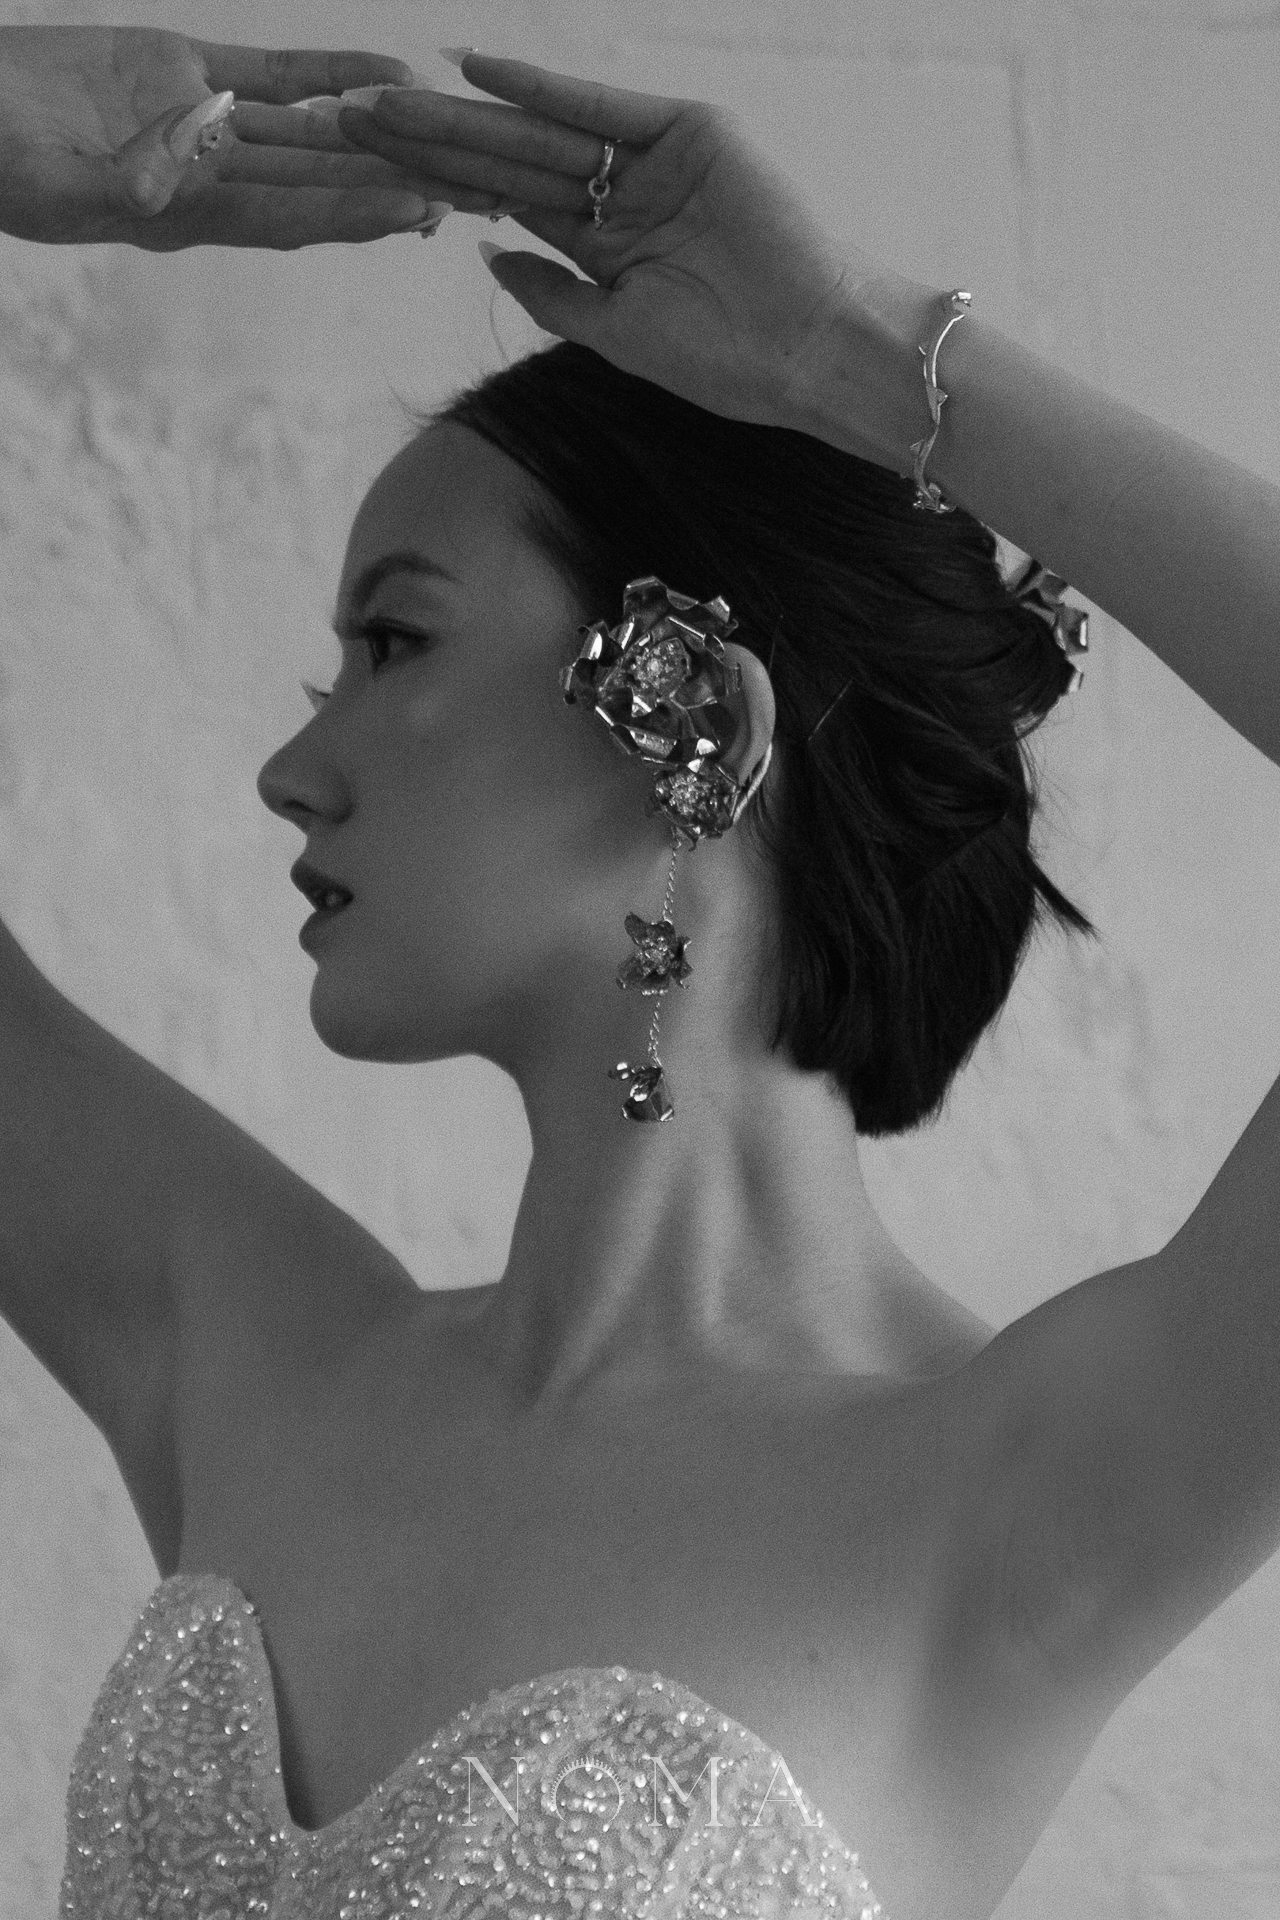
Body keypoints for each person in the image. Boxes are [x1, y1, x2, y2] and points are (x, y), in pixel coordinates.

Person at [2, 21, 1277, 1920]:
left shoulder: (1018, 1491)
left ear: (687, 715)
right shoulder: (240, 1354)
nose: (292, 767)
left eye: (392, 641)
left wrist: (855, 350)